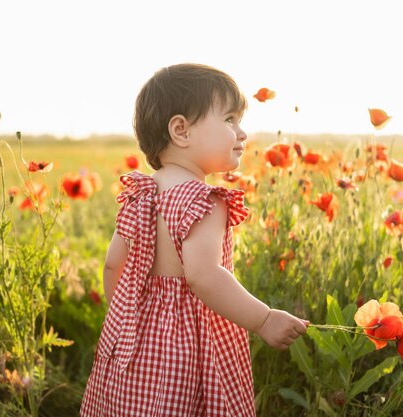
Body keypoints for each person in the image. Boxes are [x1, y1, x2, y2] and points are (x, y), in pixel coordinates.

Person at [80, 63, 309, 417]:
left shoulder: (141, 194)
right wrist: (263, 320)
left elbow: (114, 264)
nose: (243, 133)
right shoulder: (204, 200)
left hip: (134, 341)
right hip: (188, 346)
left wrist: (125, 317)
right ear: (181, 130)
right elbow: (203, 276)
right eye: (230, 119)